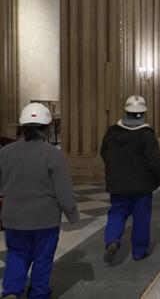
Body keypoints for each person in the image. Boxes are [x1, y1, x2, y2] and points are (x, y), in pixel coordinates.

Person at [0, 103, 79, 299]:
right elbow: (63, 189)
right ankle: (38, 294)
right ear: (46, 128)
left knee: (16, 255)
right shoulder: (52, 153)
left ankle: (12, 290)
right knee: (42, 259)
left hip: (13, 217)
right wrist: (72, 213)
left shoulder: (6, 152)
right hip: (45, 219)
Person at [100, 95, 160, 264]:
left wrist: (116, 169)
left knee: (117, 213)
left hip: (117, 183)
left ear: (126, 111)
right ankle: (139, 251)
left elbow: (104, 153)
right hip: (141, 185)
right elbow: (154, 161)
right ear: (142, 114)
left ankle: (112, 241)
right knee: (141, 217)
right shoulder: (146, 135)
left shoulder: (111, 132)